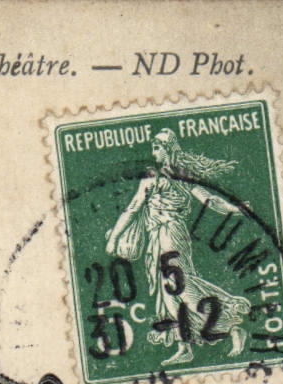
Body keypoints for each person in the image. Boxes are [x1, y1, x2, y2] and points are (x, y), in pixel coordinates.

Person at [103, 128, 252, 368]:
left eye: (159, 147)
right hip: (156, 238)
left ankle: (231, 327)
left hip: (171, 234)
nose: (154, 151)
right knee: (168, 294)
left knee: (179, 286)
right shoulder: (154, 177)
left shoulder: (178, 175)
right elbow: (133, 208)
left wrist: (235, 209)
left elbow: (208, 199)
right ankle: (185, 347)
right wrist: (114, 238)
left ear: (170, 149)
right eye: (153, 147)